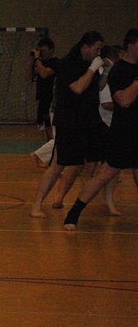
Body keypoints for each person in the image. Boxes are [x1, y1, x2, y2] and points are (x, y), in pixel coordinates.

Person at [62, 29, 138, 230]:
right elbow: (124, 101)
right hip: (123, 132)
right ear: (131, 45)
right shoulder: (120, 70)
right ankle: (74, 212)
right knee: (106, 173)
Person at [29, 31, 107, 218]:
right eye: (97, 49)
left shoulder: (91, 63)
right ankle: (36, 205)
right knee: (58, 164)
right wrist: (92, 68)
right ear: (86, 47)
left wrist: (105, 71)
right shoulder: (67, 63)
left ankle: (70, 199)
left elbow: (98, 86)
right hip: (69, 121)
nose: (99, 53)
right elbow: (78, 87)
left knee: (89, 161)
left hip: (90, 120)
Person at [28, 37, 59, 139]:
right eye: (40, 51)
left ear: (51, 50)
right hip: (43, 99)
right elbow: (28, 76)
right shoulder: (39, 62)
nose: (42, 53)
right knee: (45, 126)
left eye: (44, 51)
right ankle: (49, 144)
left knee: (51, 127)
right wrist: (32, 60)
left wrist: (37, 59)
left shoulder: (56, 62)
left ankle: (52, 144)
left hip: (52, 100)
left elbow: (44, 74)